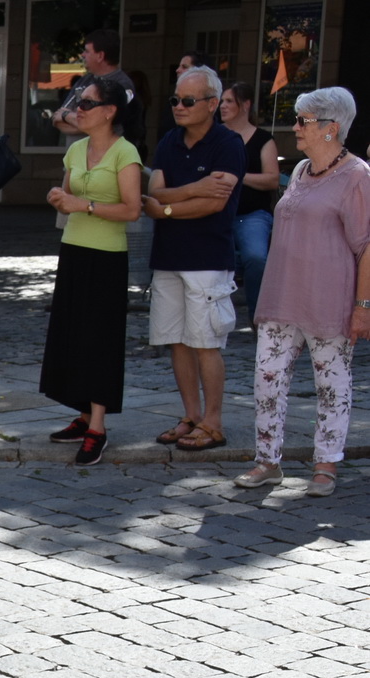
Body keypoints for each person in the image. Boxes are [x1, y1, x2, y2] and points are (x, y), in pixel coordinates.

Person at [233, 88, 369, 499]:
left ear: (331, 128)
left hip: (330, 300)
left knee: (332, 384)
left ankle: (326, 464)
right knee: (266, 380)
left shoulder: (358, 175)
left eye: (303, 120)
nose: (295, 127)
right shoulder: (304, 168)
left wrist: (364, 305)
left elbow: (367, 246)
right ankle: (267, 461)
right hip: (281, 296)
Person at [38, 77, 141, 466]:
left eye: (88, 103)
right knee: (72, 333)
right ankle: (82, 414)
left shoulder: (125, 153)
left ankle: (98, 425)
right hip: (74, 250)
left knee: (99, 338)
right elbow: (69, 201)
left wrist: (85, 206)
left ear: (110, 111)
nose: (78, 108)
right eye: (79, 102)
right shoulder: (76, 149)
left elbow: (132, 209)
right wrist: (60, 200)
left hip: (107, 256)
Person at [142, 66, 243, 454]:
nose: (179, 107)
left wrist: (172, 201)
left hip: (207, 258)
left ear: (212, 104)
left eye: (187, 101)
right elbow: (153, 196)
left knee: (205, 342)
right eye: (175, 100)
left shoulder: (228, 143)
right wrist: (193, 190)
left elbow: (214, 203)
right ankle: (191, 415)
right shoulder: (169, 140)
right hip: (168, 256)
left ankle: (213, 422)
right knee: (176, 341)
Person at [220, 81, 278, 318]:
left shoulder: (264, 139)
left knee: (256, 258)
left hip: (251, 216)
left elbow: (273, 179)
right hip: (216, 212)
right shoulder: (215, 137)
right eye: (221, 101)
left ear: (245, 105)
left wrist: (239, 177)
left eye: (229, 101)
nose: (222, 106)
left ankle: (258, 317)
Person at [53, 29, 143, 150]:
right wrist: (87, 123)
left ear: (100, 56)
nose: (83, 55)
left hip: (105, 161)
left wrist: (66, 115)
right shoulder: (83, 81)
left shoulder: (123, 85)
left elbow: (106, 124)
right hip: (75, 163)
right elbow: (56, 120)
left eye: (87, 51)